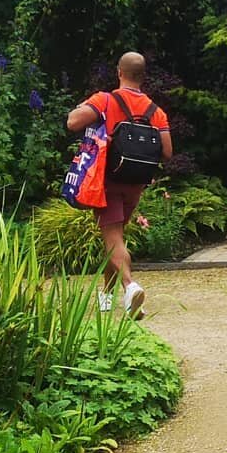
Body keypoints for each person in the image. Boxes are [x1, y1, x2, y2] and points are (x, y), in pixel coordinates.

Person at [66, 52, 173, 316]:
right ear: (142, 75)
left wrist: (83, 107)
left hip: (107, 181)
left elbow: (72, 122)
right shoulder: (156, 111)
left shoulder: (105, 100)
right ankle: (105, 295)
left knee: (113, 240)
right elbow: (167, 152)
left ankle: (130, 287)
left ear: (119, 72)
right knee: (115, 240)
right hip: (135, 183)